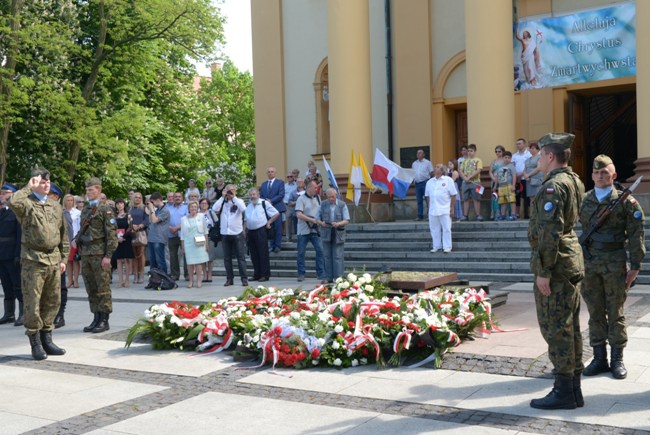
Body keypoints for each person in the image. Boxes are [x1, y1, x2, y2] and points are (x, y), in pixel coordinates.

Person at [527, 133, 585, 410]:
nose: (538, 159)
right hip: (571, 259)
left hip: (557, 264)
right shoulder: (574, 180)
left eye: (540, 155)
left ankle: (564, 391)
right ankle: (573, 388)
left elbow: (550, 231)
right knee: (570, 326)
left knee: (556, 327)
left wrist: (544, 271)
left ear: (550, 156)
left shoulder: (553, 187)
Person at [579, 155, 645, 380]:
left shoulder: (626, 201)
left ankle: (617, 359)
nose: (600, 176)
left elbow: (637, 234)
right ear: (592, 175)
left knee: (615, 311)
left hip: (615, 261)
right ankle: (599, 358)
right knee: (595, 311)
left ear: (613, 175)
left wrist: (635, 265)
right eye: (597, 173)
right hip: (589, 263)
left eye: (605, 173)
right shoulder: (585, 200)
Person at [9, 169, 69, 360]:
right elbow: (12, 202)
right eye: (42, 182)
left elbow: (63, 235)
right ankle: (35, 342)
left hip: (53, 258)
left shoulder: (55, 206)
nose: (46, 185)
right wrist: (28, 186)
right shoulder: (26, 203)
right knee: (33, 302)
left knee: (52, 300)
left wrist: (64, 259)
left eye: (48, 182)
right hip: (33, 260)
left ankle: (47, 339)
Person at [77, 177, 118, 334]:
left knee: (103, 287)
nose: (89, 193)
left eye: (91, 190)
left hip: (100, 253)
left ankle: (104, 319)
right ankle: (96, 317)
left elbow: (111, 235)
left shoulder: (105, 210)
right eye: (87, 190)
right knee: (91, 287)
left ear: (99, 190)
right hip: (87, 253)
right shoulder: (86, 210)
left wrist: (108, 256)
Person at [212, 185, 248, 286]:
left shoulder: (239, 201)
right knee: (227, 258)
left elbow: (243, 209)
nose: (230, 192)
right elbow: (214, 209)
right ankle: (229, 279)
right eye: (228, 190)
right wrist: (222, 197)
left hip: (237, 232)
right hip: (225, 233)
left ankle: (244, 279)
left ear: (235, 191)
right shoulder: (223, 202)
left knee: (240, 257)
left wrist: (233, 198)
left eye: (232, 190)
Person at [0, 183, 23, 327]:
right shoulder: (1, 212)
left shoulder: (17, 212)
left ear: (13, 194)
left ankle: (23, 313)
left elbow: (20, 236)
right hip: (1, 253)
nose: (2, 195)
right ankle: (9, 313)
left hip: (12, 252)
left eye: (5, 193)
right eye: (1, 193)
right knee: (6, 285)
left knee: (18, 285)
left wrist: (18, 255)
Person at [295, 180, 327, 283]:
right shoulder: (301, 199)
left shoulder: (318, 198)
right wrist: (312, 220)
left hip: (315, 229)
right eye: (314, 188)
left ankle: (321, 273)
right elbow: (299, 214)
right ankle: (301, 273)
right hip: (303, 230)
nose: (316, 190)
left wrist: (321, 221)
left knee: (320, 250)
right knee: (301, 252)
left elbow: (320, 211)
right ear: (309, 188)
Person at [245, 187, 279, 282]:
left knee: (262, 253)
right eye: (251, 195)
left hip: (261, 230)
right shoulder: (249, 205)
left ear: (258, 195)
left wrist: (269, 222)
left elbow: (276, 213)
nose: (252, 196)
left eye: (254, 194)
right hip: (251, 231)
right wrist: (245, 230)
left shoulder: (264, 203)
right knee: (253, 254)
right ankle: (257, 274)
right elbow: (246, 219)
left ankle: (265, 274)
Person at [47, 183, 68, 330]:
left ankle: (60, 315)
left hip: (56, 256)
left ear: (55, 197)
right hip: (42, 258)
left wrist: (64, 259)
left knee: (60, 287)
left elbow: (64, 238)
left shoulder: (59, 212)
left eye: (49, 195)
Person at [319, 188, 350, 282]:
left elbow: (347, 220)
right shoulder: (323, 204)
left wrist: (338, 224)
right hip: (326, 232)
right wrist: (321, 223)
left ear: (336, 195)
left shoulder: (342, 204)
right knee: (327, 256)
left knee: (337, 256)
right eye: (329, 197)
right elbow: (317, 218)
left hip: (338, 232)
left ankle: (339, 278)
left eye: (332, 197)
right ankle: (328, 277)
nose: (331, 199)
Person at [425, 164, 457, 253]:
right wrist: (429, 208)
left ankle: (447, 247)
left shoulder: (448, 180)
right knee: (434, 229)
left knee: (446, 228)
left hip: (445, 208)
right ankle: (436, 246)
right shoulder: (429, 182)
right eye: (435, 167)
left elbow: (453, 194)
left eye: (437, 167)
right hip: (433, 209)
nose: (435, 168)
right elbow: (428, 197)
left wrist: (452, 208)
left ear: (442, 170)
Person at [180, 200, 209, 288]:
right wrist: (182, 246)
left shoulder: (202, 217)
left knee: (199, 262)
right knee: (190, 262)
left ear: (197, 208)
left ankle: (199, 281)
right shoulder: (184, 219)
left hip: (199, 241)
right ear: (188, 208)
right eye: (191, 207)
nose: (193, 208)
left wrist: (206, 244)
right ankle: (191, 281)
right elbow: (182, 234)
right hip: (188, 242)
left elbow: (205, 231)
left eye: (195, 207)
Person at [260, 166, 286, 253]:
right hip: (267, 209)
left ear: (275, 173)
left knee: (278, 227)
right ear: (267, 173)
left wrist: (271, 201)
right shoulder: (263, 184)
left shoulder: (280, 182)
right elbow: (261, 196)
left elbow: (281, 194)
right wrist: (266, 202)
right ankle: (271, 245)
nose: (270, 173)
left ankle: (277, 245)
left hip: (277, 207)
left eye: (272, 171)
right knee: (269, 227)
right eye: (269, 172)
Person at [145, 192, 170, 274]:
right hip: (152, 238)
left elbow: (155, 220)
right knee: (152, 261)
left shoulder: (165, 210)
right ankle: (153, 280)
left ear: (158, 200)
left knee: (160, 260)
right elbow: (150, 221)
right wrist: (150, 210)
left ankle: (163, 279)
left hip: (159, 239)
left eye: (152, 202)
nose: (152, 204)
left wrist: (152, 209)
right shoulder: (157, 210)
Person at [112, 198, 134, 288]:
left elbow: (130, 227)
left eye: (121, 203)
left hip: (126, 239)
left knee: (127, 259)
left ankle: (127, 279)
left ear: (124, 205)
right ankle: (120, 280)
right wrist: (116, 238)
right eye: (117, 204)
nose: (119, 205)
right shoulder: (114, 217)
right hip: (117, 240)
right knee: (119, 260)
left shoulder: (128, 215)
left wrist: (123, 237)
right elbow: (112, 228)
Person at [459, 143, 483, 221]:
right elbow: (460, 171)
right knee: (465, 199)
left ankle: (478, 215)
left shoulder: (478, 160)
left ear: (475, 151)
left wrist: (469, 177)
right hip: (465, 183)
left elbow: (478, 170)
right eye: (468, 151)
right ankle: (465, 215)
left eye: (471, 151)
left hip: (476, 182)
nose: (469, 152)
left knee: (477, 199)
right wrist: (465, 178)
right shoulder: (464, 161)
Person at [167, 192, 188, 281]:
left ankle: (187, 275)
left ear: (182, 198)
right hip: (171, 234)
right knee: (173, 256)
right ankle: (175, 275)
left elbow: (187, 219)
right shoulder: (168, 208)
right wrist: (171, 228)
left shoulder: (186, 208)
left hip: (183, 234)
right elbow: (165, 220)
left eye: (179, 196)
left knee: (186, 255)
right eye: (175, 196)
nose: (177, 198)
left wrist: (176, 228)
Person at [515, 23, 543, 87]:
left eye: (525, 33)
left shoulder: (532, 41)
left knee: (531, 68)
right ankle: (529, 81)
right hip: (524, 57)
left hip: (530, 57)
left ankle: (533, 81)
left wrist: (537, 57)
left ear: (528, 34)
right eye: (523, 33)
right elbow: (516, 36)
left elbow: (535, 49)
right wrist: (516, 28)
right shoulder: (522, 40)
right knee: (526, 70)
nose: (524, 34)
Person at [129, 192, 148, 284]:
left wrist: (140, 225)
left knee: (141, 254)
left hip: (141, 232)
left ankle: (141, 274)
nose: (137, 199)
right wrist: (132, 226)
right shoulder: (129, 209)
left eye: (139, 197)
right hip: (132, 232)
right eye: (136, 197)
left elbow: (147, 220)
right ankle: (135, 274)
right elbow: (127, 219)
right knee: (134, 255)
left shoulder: (144, 208)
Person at [63, 194, 81, 288]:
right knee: (68, 261)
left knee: (75, 260)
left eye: (71, 200)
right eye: (68, 200)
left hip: (75, 238)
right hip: (65, 239)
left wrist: (77, 239)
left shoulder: (77, 212)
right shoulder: (62, 212)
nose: (70, 202)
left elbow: (79, 226)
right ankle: (70, 280)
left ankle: (76, 280)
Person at [512, 137, 532, 218]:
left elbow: (528, 166)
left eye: (519, 143)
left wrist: (521, 175)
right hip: (516, 179)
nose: (518, 145)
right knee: (517, 196)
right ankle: (517, 214)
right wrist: (516, 176)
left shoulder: (529, 154)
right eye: (517, 144)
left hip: (525, 178)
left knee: (526, 196)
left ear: (524, 144)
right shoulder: (514, 155)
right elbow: (512, 166)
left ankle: (527, 214)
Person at [412, 149, 434, 221]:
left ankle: (429, 215)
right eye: (417, 153)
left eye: (420, 153)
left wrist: (429, 181)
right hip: (417, 183)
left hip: (425, 182)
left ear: (424, 154)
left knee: (428, 199)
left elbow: (431, 173)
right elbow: (413, 173)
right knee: (419, 200)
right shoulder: (414, 163)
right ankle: (420, 215)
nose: (418, 154)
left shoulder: (428, 163)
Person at [199, 198, 217, 283]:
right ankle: (204, 274)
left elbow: (216, 223)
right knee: (202, 257)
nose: (203, 205)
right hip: (199, 237)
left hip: (210, 236)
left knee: (210, 257)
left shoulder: (211, 213)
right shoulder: (197, 214)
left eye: (205, 203)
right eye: (202, 203)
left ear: (208, 205)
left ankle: (209, 274)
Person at [496, 151, 517, 220]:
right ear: (502, 158)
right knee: (503, 201)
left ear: (510, 159)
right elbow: (497, 176)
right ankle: (503, 215)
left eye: (508, 158)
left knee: (511, 200)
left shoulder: (511, 166)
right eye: (505, 157)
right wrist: (495, 186)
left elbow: (514, 176)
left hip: (509, 185)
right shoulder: (500, 166)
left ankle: (513, 214)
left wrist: (513, 185)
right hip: (501, 186)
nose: (507, 159)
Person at [523, 142, 543, 206]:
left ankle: (538, 214)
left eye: (533, 148)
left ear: (537, 149)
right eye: (530, 148)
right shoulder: (527, 159)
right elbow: (524, 169)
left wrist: (528, 175)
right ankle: (532, 214)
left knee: (538, 197)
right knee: (531, 197)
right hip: (529, 180)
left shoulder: (540, 157)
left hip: (537, 179)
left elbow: (539, 168)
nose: (531, 149)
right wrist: (525, 175)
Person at [489, 145, 506, 220]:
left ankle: (503, 213)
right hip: (494, 180)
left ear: (503, 152)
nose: (497, 153)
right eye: (496, 151)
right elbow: (490, 172)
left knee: (503, 197)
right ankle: (496, 213)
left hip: (503, 180)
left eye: (499, 151)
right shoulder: (494, 161)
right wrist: (493, 178)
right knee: (495, 197)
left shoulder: (505, 160)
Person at [283, 170, 298, 240]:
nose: (289, 178)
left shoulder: (297, 185)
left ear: (293, 177)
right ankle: (288, 237)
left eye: (291, 176)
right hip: (287, 205)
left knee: (297, 220)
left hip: (296, 205)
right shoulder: (284, 186)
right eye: (288, 177)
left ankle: (297, 236)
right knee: (288, 220)